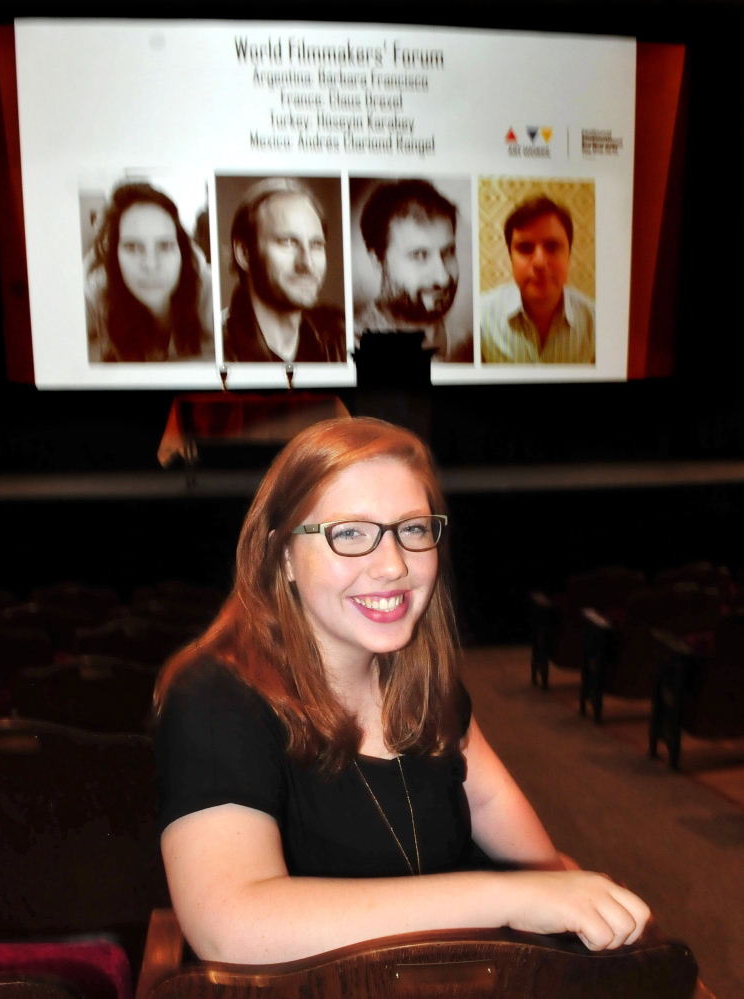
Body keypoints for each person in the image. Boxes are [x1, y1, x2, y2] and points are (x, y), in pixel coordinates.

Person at [154, 416, 650, 965]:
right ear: (283, 556)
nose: (392, 566)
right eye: (350, 533)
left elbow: (492, 807)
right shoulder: (215, 698)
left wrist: (563, 897)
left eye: (412, 529)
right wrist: (508, 898)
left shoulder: (421, 678)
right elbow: (229, 924)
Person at [85, 182, 214, 363]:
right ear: (115, 256)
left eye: (165, 245)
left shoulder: (210, 290)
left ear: (181, 251)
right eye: (133, 247)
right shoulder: (94, 300)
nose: (151, 265)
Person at [222, 178, 346, 364]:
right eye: (288, 242)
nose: (307, 263)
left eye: (316, 245)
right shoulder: (217, 347)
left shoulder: (341, 337)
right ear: (244, 254)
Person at [355, 180, 471, 363]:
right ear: (378, 261)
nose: (442, 278)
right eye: (419, 255)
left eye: (448, 252)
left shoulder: (468, 340)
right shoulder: (354, 346)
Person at [480, 196, 595, 364]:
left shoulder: (596, 324)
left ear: (569, 255)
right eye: (525, 248)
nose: (539, 262)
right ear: (510, 257)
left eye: (553, 246)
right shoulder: (481, 319)